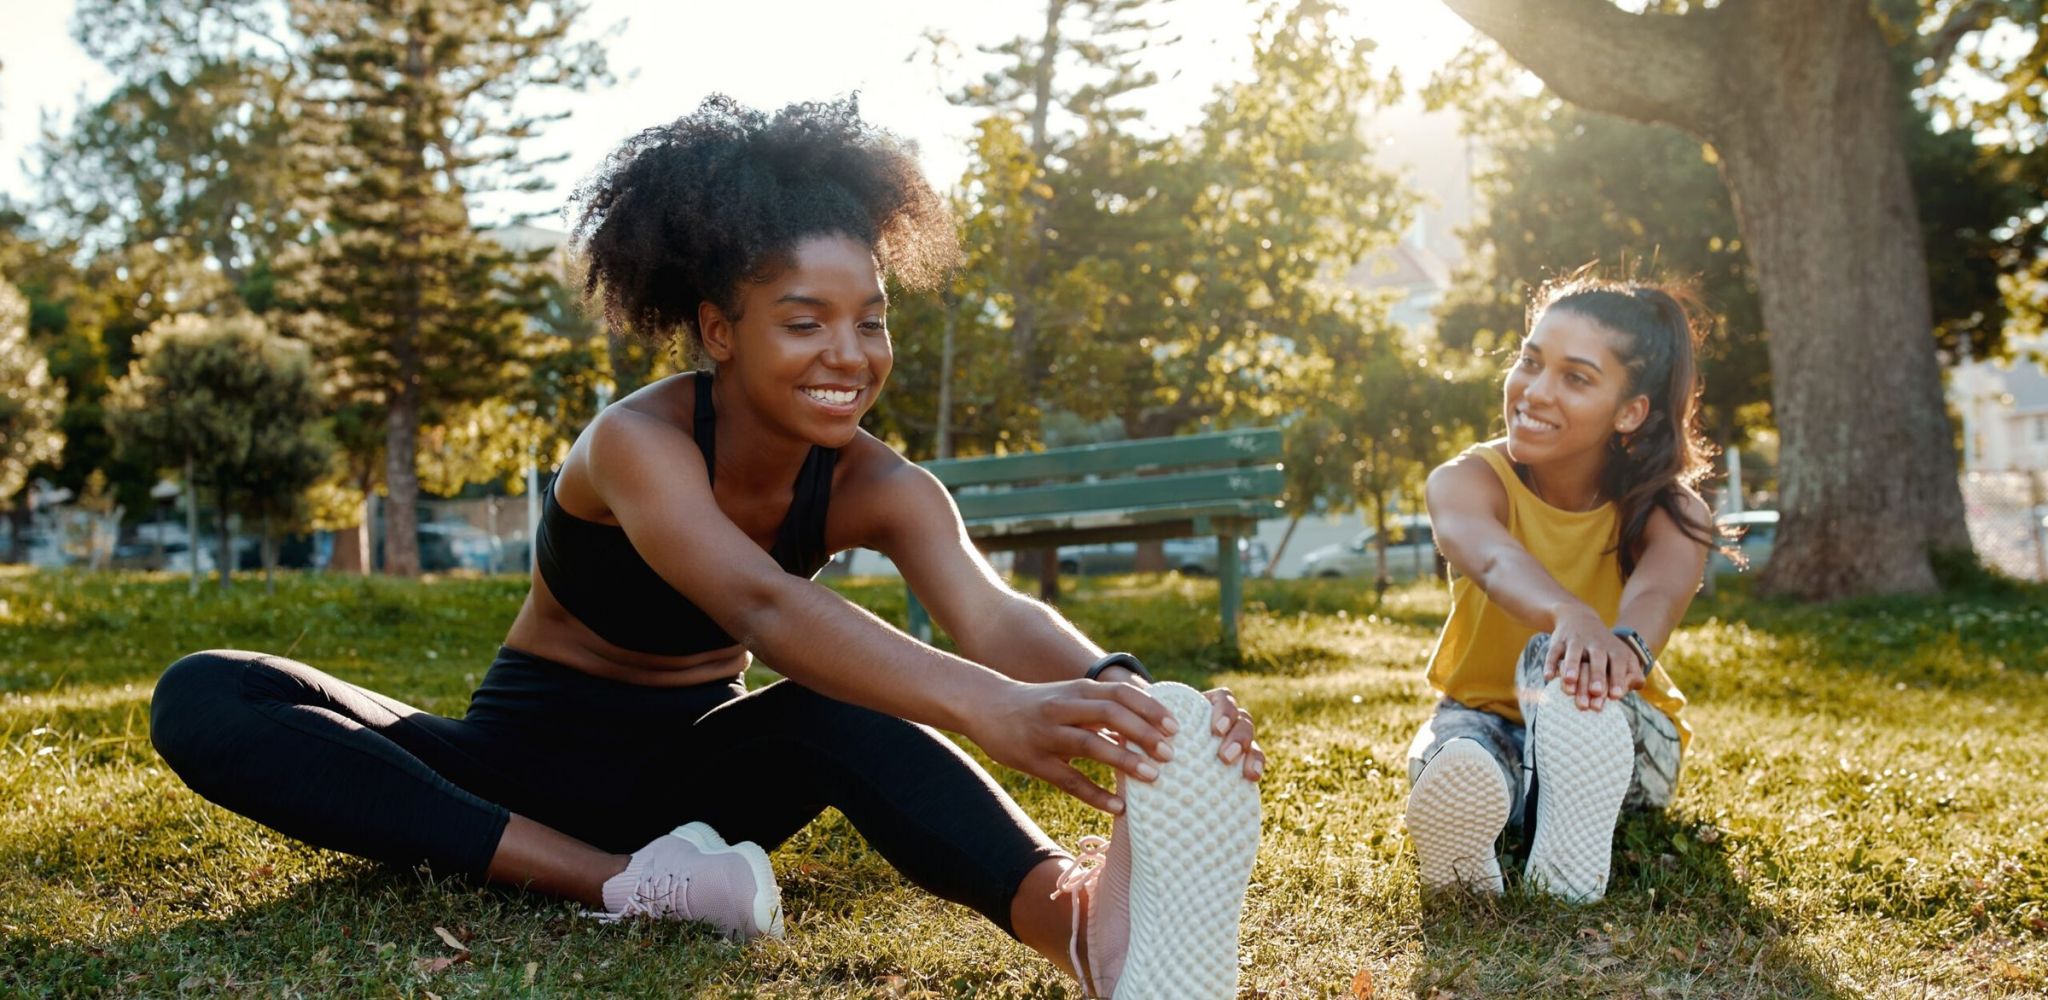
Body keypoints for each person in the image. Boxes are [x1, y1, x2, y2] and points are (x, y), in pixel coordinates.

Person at [148, 95, 1264, 998]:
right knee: (208, 693)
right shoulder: (634, 443)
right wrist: (984, 705)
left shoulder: (881, 482)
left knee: (843, 706)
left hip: (702, 786)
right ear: (719, 331)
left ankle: (1085, 930)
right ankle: (627, 885)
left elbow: (988, 610)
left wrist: (1132, 697)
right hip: (508, 776)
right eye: (802, 319)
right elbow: (763, 610)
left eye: (869, 316)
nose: (848, 351)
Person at [1405, 272, 1719, 903]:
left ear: (1630, 412)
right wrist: (1567, 610)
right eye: (1531, 361)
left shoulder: (1673, 514)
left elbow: (1653, 604)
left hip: (1612, 717)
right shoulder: (1467, 481)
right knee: (1457, 754)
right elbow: (1492, 561)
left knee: (1555, 663)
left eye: (1576, 378)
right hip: (1486, 712)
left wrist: (1614, 646)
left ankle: (1559, 807)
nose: (1535, 391)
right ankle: (1497, 814)